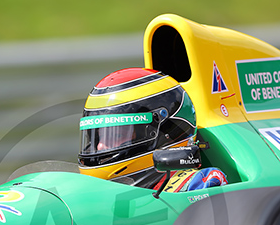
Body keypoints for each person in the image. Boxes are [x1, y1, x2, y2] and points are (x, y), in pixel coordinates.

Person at [78, 67, 228, 192]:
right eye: (98, 137)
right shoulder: (89, 192)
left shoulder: (199, 184)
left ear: (165, 134)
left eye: (116, 135)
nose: (100, 147)